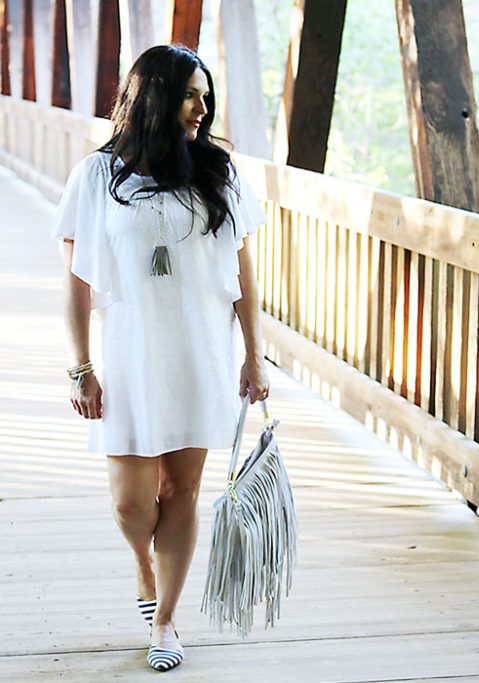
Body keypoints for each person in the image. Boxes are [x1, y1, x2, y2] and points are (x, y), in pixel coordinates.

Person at [52, 44, 271, 672]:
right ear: (153, 97)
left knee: (183, 492)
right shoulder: (95, 177)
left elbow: (242, 276)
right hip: (126, 357)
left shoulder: (219, 173)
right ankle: (144, 569)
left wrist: (254, 357)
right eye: (190, 96)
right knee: (130, 502)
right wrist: (80, 365)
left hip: (199, 352)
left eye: (206, 96)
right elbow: (74, 282)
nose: (203, 109)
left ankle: (168, 621)